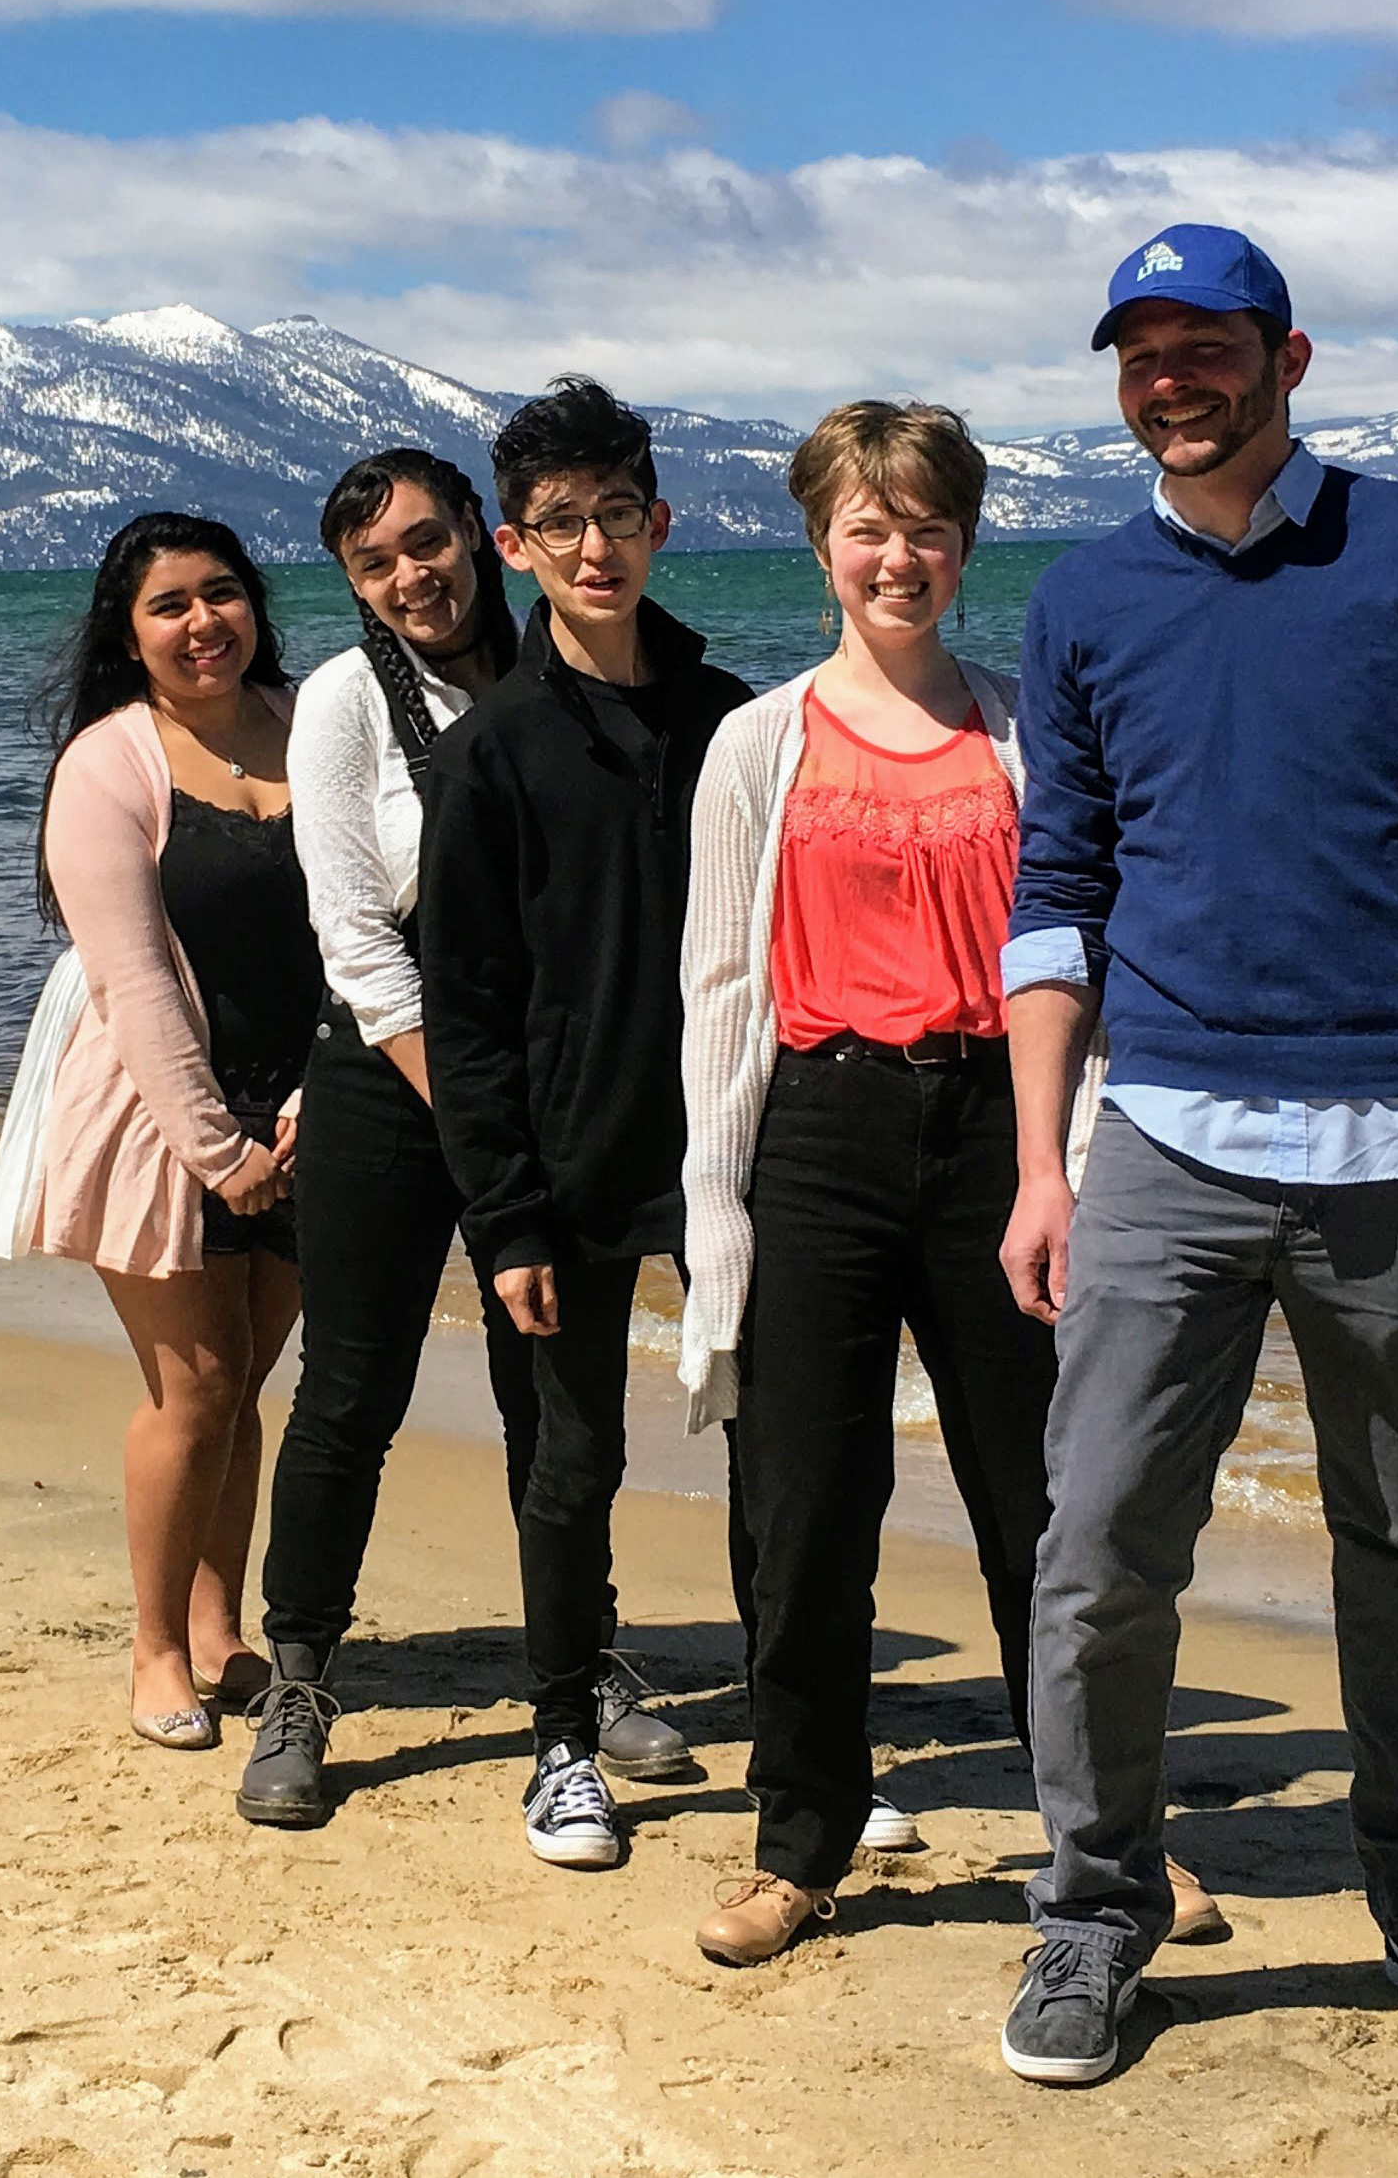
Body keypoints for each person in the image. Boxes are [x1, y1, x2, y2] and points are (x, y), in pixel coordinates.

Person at [992, 226, 1398, 2084]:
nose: (1169, 378)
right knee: (1095, 1541)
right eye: (1137, 352)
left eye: (1204, 347)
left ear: (1289, 357)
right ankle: (1094, 1909)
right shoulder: (1084, 601)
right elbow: (1057, 894)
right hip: (1164, 1130)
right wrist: (1040, 1162)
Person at [240, 451, 699, 1828]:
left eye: (426, 543)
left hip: (548, 1076)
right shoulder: (340, 703)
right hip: (392, 1072)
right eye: (376, 564)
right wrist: (480, 1106)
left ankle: (583, 1654)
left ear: (482, 542)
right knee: (352, 1390)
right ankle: (303, 1674)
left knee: (557, 1399)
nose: (409, 577)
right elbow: (358, 945)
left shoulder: (559, 668)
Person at [669, 400, 1066, 1965]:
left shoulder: (1030, 726)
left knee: (1045, 1505)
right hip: (817, 1137)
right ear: (821, 540)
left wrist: (1067, 1162)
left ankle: (1104, 1832)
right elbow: (717, 989)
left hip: (994, 1137)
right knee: (809, 1507)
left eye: (927, 527)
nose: (898, 555)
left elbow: (1078, 963)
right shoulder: (758, 743)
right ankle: (800, 1843)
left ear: (965, 546)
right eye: (867, 526)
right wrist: (716, 1208)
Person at [416, 381, 750, 1870]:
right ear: (516, 545)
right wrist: (504, 1213)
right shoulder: (490, 748)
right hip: (565, 1160)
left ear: (660, 522)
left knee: (780, 1446)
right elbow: (468, 1000)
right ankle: (563, 1737)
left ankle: (808, 1734)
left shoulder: (730, 717)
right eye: (563, 523)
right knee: (573, 1458)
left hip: (736, 1149)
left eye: (620, 513)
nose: (596, 545)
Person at [16, 511, 319, 1750]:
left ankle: (217, 1626)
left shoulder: (316, 730)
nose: (204, 624)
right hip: (162, 1113)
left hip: (305, 1105)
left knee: (249, 1381)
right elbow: (133, 982)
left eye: (223, 594)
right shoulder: (107, 763)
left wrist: (304, 1107)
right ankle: (153, 1652)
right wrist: (219, 1146)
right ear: (127, 634)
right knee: (188, 1391)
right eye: (170, 605)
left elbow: (373, 920)